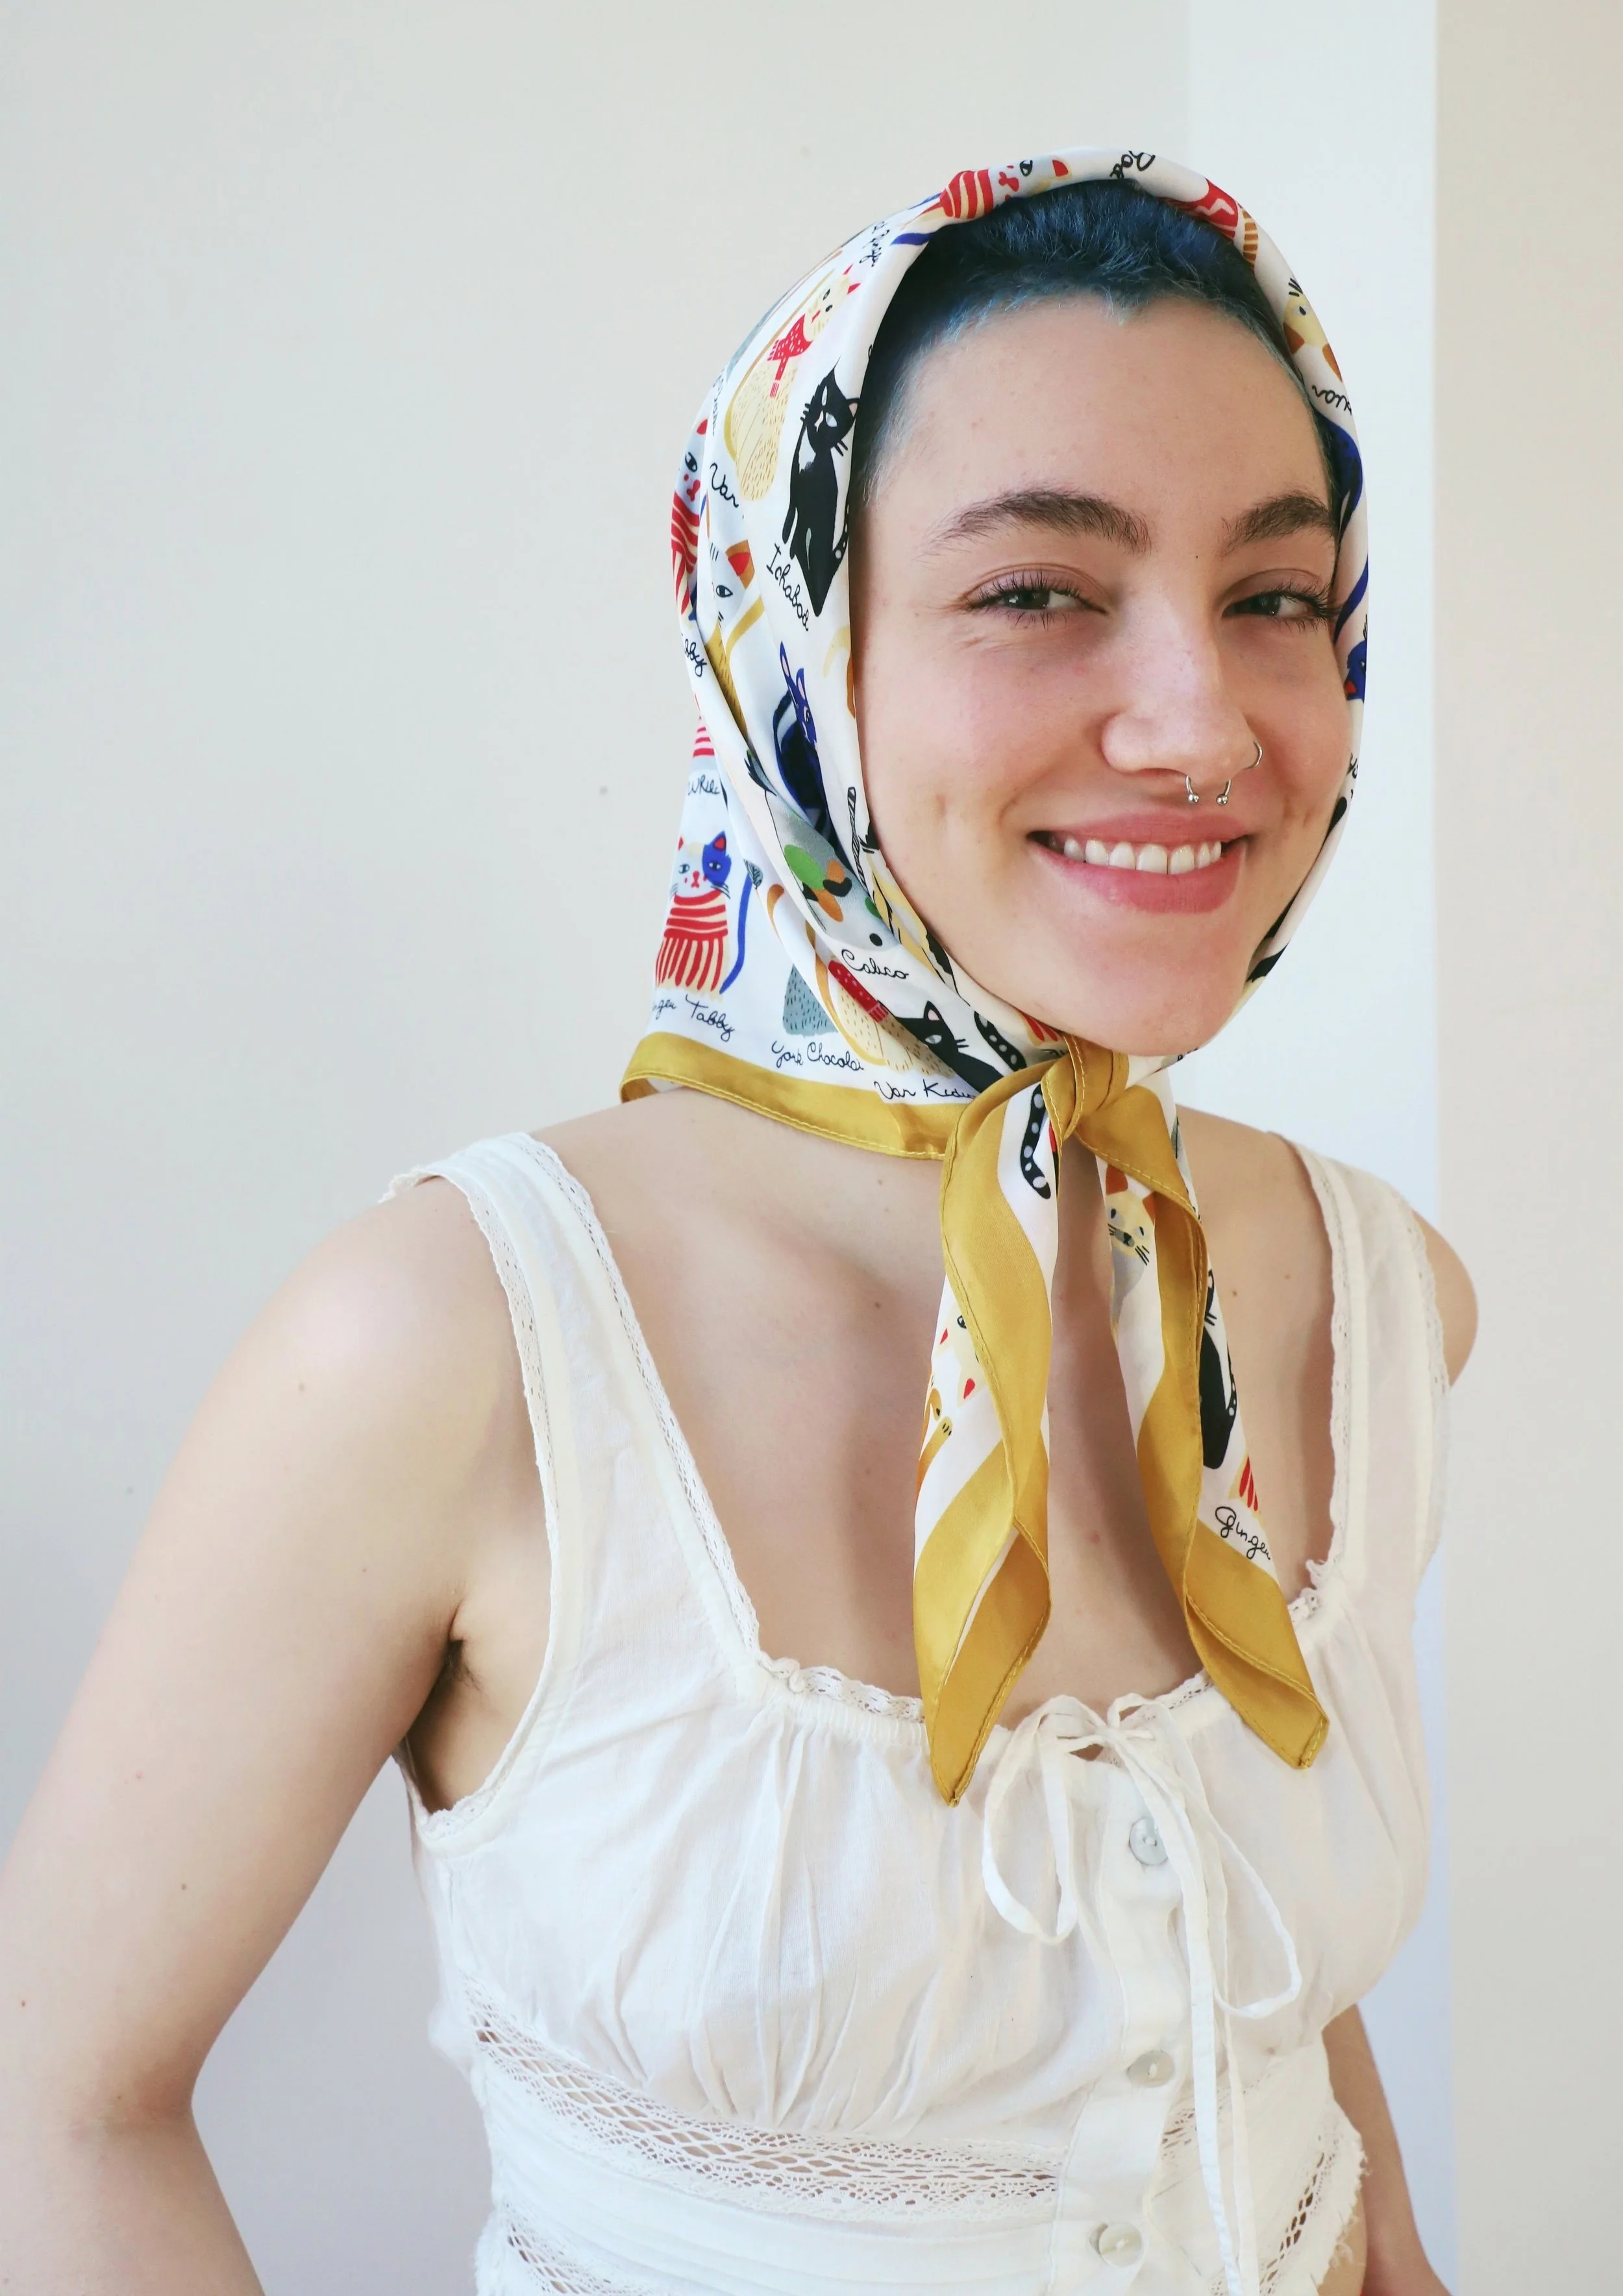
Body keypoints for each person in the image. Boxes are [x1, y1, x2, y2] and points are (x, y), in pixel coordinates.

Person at [0, 154, 1471, 2296]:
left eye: (1271, 593)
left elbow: (1233, 1987)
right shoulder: (457, 1341)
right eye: (1037, 590)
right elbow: (57, 2102)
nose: (1199, 723)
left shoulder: (1369, 1293)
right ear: (792, 651)